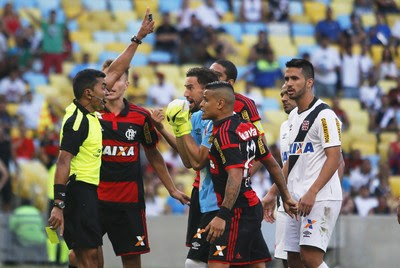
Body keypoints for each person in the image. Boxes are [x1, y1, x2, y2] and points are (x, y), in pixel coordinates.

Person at [48, 9, 155, 268]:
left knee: (92, 258)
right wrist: (58, 205)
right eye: (102, 89)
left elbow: (116, 70)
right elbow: (63, 161)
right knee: (90, 260)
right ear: (88, 93)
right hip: (78, 193)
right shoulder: (78, 120)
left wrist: (138, 37)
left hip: (89, 194)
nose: (106, 92)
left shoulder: (90, 112)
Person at [98, 59, 189, 268]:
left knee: (131, 259)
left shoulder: (140, 117)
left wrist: (172, 189)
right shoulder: (91, 116)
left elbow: (153, 154)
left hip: (129, 202)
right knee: (86, 255)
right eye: (105, 79)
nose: (110, 84)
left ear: (127, 84)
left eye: (116, 78)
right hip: (95, 199)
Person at [199, 81, 296, 267]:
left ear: (220, 103)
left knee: (216, 263)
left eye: (206, 100)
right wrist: (286, 196)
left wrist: (223, 215)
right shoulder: (247, 127)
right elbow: (272, 164)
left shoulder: (225, 134)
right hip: (251, 207)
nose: (202, 104)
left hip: (236, 212)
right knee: (255, 263)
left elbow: (235, 176)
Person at [151, 67, 220, 268]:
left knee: (198, 262)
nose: (185, 93)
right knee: (204, 261)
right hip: (205, 197)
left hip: (222, 201)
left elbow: (198, 161)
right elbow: (189, 160)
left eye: (190, 87)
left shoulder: (218, 120)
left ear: (206, 90)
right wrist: (166, 129)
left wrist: (180, 127)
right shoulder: (198, 117)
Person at [281, 59, 342, 268]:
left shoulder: (325, 115)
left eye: (295, 78)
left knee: (310, 257)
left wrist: (313, 192)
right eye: (287, 78)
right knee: (293, 260)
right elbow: (292, 159)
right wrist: (277, 192)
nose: (289, 83)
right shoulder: (292, 118)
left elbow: (335, 157)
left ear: (309, 82)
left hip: (319, 196)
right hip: (296, 199)